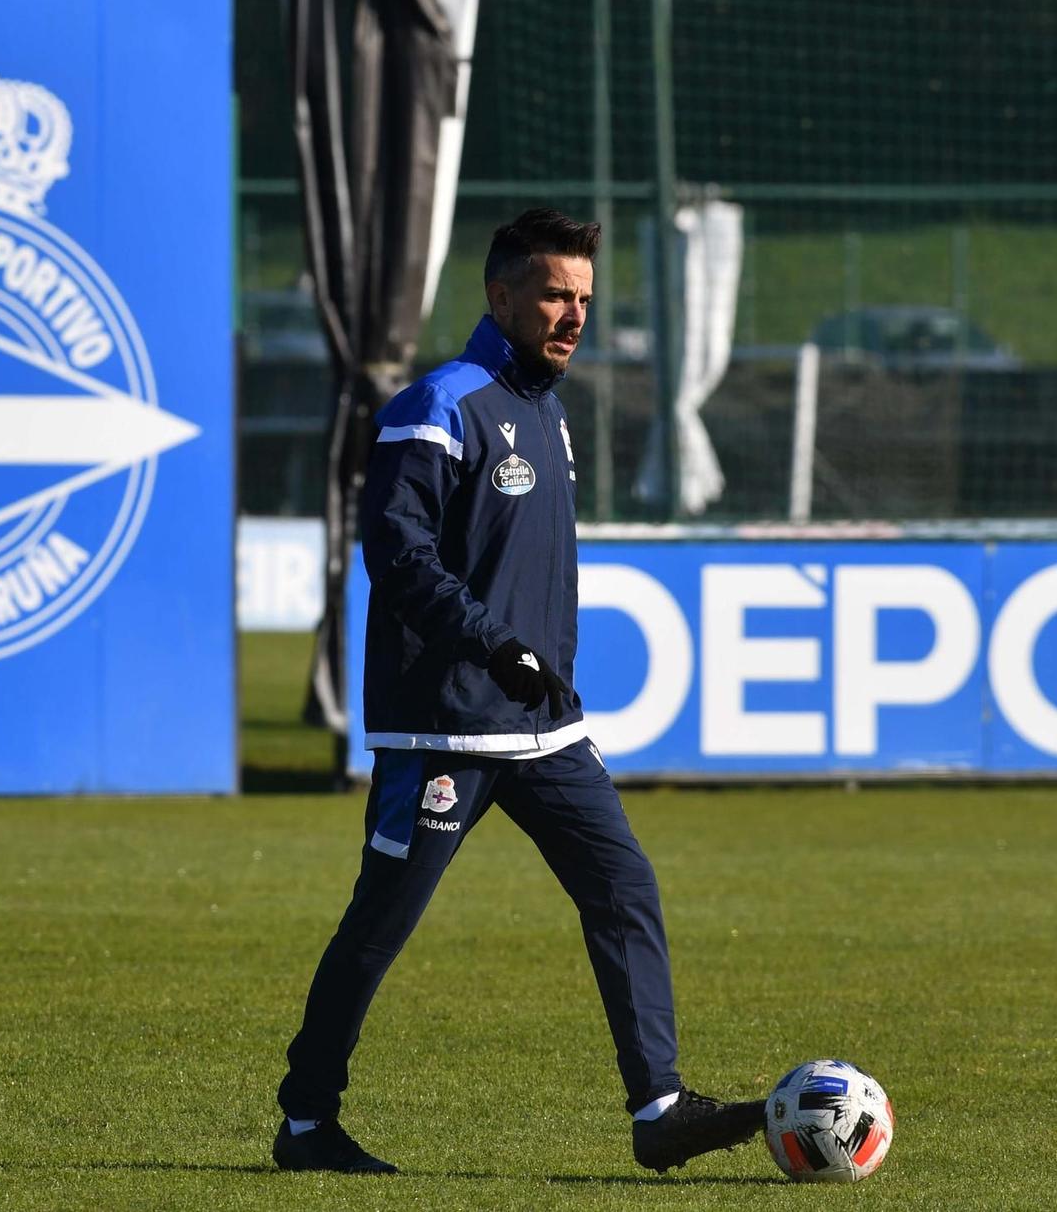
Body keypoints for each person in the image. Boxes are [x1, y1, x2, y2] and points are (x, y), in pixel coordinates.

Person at [272, 208, 769, 1176]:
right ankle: (304, 1124)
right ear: (498, 295)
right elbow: (396, 550)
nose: (571, 314)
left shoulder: (544, 406)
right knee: (380, 925)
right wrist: (492, 644)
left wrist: (530, 667)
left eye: (582, 297)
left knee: (621, 885)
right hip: (445, 728)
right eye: (553, 293)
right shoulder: (438, 403)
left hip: (542, 728)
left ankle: (658, 1106)